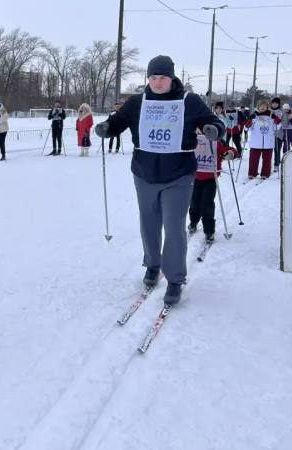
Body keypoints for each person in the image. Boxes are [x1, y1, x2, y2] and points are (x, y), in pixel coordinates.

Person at [95, 55, 224, 305]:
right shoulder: (137, 102)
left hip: (178, 173)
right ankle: (153, 265)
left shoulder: (189, 101)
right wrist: (106, 128)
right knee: (149, 223)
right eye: (153, 77)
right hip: (144, 173)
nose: (157, 81)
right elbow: (118, 121)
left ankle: (175, 279)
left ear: (172, 77)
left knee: (174, 226)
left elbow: (214, 121)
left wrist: (215, 129)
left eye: (162, 77)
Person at [188, 130, 237, 242]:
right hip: (195, 177)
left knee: (207, 203)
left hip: (210, 178)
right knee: (194, 201)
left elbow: (230, 150)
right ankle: (193, 222)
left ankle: (209, 230)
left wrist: (230, 154)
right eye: (198, 129)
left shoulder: (216, 142)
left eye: (203, 130)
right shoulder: (193, 140)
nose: (200, 132)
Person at [245, 99, 279, 180]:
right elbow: (247, 129)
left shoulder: (271, 115)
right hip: (256, 141)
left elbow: (276, 127)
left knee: (267, 159)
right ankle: (252, 173)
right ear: (258, 107)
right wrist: (248, 124)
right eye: (261, 106)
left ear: (267, 107)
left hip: (268, 142)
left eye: (264, 106)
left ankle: (265, 173)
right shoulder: (254, 116)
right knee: (253, 158)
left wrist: (278, 121)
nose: (262, 107)